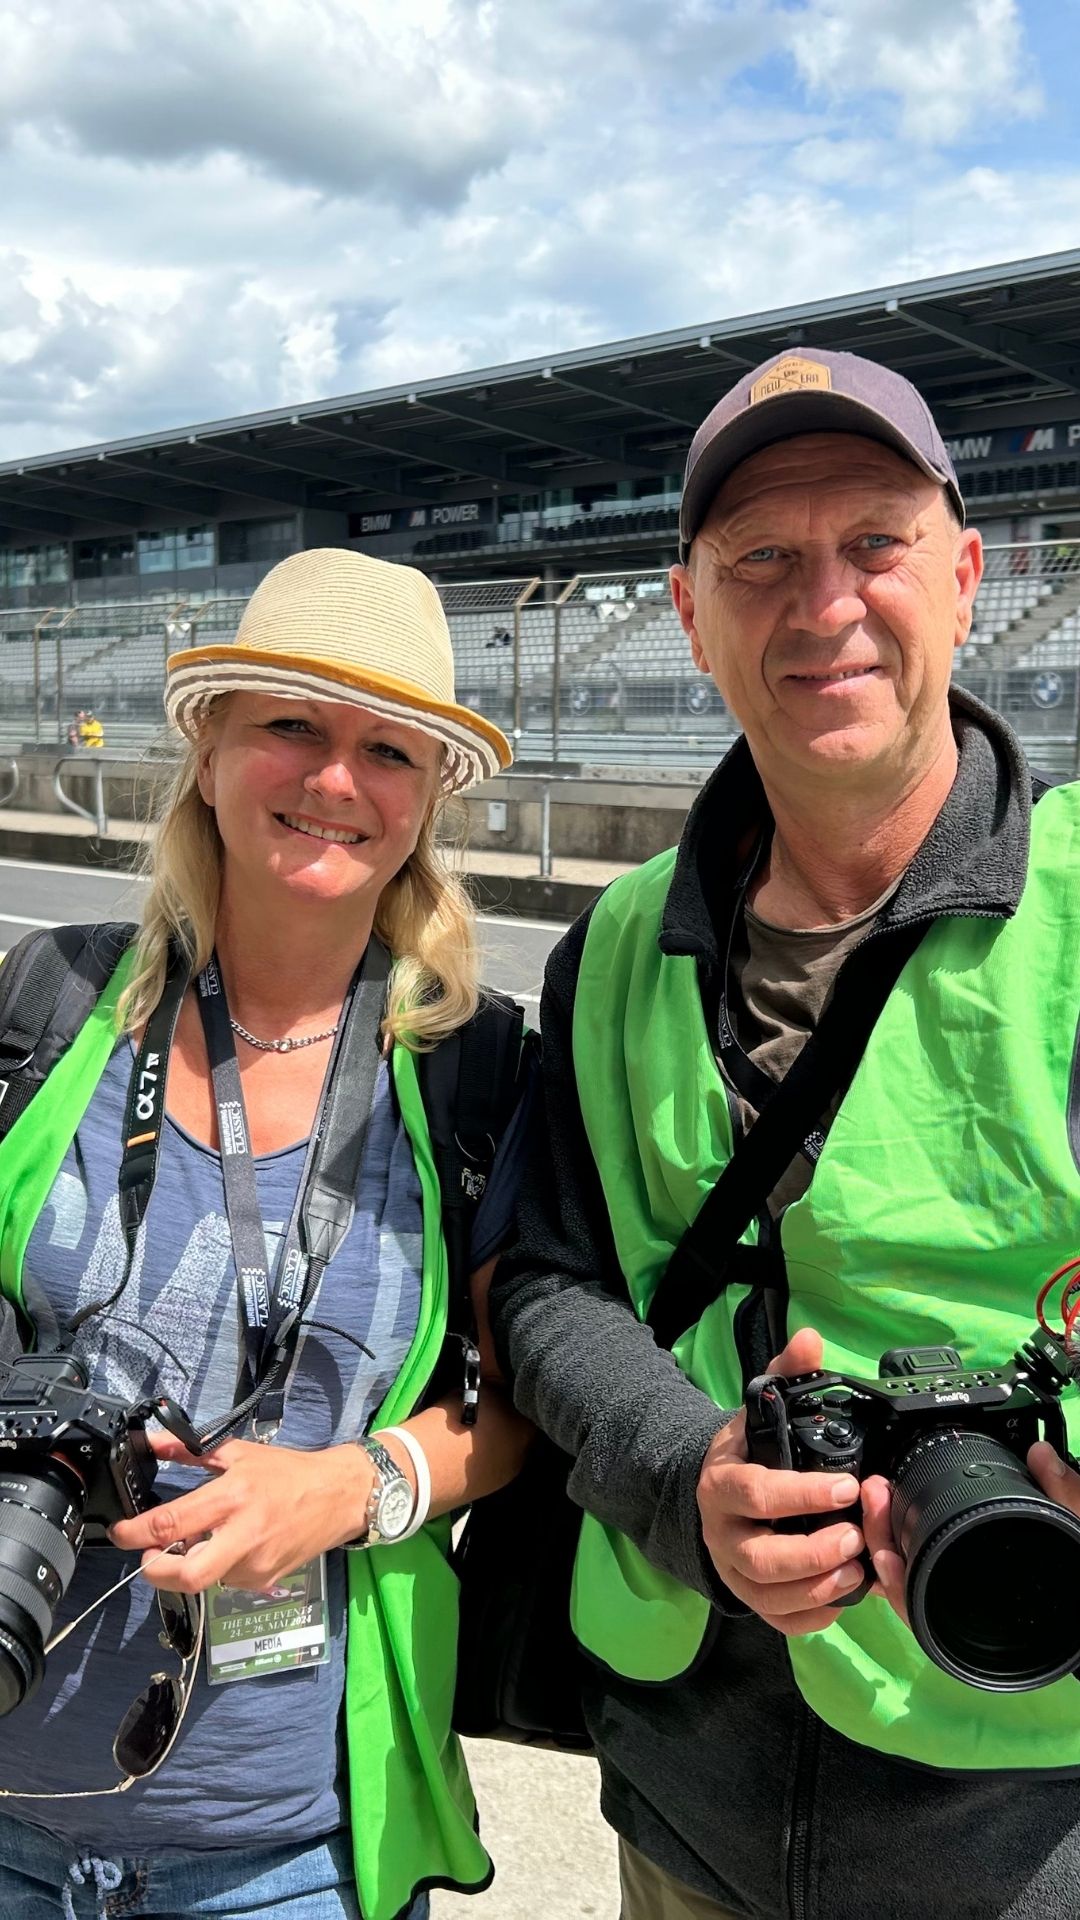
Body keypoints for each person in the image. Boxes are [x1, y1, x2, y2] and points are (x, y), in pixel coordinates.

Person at [490, 349, 1080, 1920]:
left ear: (966, 575)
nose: (823, 605)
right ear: (691, 615)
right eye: (761, 558)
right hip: (687, 1795)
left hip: (1026, 1814)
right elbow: (546, 1282)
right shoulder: (617, 945)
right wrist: (686, 1475)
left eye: (875, 542)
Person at [0, 548, 532, 1920]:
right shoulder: (47, 999)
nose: (335, 778)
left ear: (429, 795)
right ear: (210, 748)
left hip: (291, 1855)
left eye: (388, 748)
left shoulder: (477, 1069)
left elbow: (516, 1401)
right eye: (291, 724)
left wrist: (353, 1487)